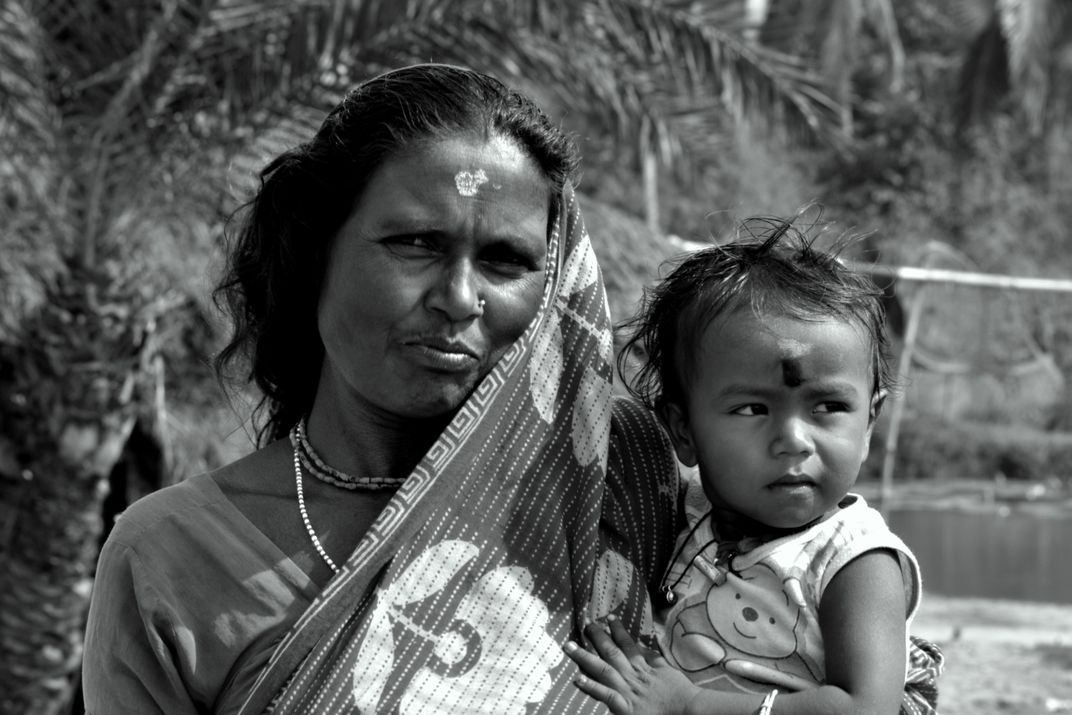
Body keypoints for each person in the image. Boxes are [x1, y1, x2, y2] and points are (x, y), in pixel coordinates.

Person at [81, 64, 682, 714]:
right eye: (417, 243)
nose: (459, 299)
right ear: (314, 255)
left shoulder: (614, 482)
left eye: (505, 260)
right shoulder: (171, 557)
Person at [565, 219, 944, 714]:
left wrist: (691, 707)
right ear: (683, 431)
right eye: (751, 410)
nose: (794, 441)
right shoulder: (683, 513)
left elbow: (866, 708)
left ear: (869, 422)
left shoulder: (854, 560)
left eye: (827, 407)